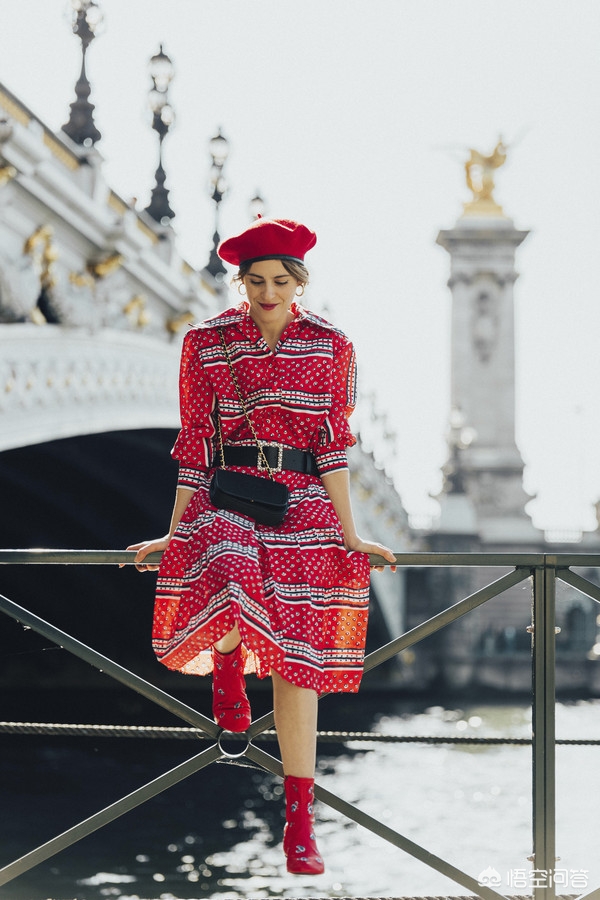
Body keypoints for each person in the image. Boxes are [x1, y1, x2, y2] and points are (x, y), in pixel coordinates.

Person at [127, 217, 396, 875]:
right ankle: (226, 670)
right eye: (256, 281)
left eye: (280, 281)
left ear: (299, 282)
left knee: (297, 662)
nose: (268, 292)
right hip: (232, 492)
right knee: (218, 547)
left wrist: (351, 532)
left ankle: (299, 822)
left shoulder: (332, 345)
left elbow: (333, 447)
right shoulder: (206, 343)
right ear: (240, 282)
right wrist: (175, 527)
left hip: (304, 500)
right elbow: (195, 446)